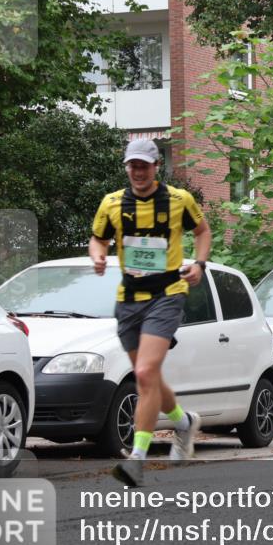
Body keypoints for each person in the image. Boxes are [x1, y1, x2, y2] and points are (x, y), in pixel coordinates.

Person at [90, 139, 212, 487]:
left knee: (143, 372)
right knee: (150, 378)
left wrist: (199, 264)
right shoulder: (112, 203)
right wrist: (97, 256)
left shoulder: (178, 200)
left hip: (167, 293)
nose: (138, 172)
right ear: (126, 167)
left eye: (144, 165)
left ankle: (137, 459)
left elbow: (202, 231)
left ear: (157, 166)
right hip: (128, 297)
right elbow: (98, 238)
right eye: (133, 165)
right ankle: (185, 422)